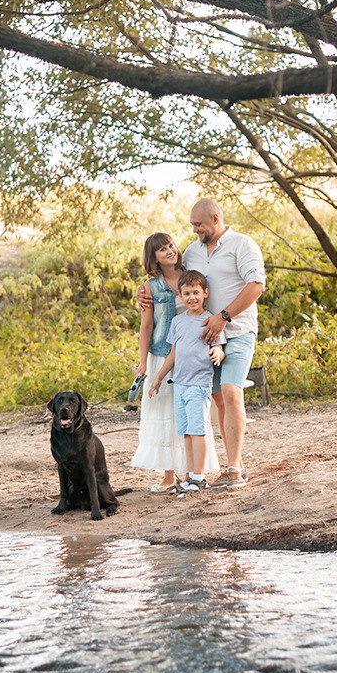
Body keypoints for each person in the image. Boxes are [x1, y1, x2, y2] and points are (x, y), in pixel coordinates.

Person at [138, 198, 265, 488]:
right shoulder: (193, 252)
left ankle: (233, 469)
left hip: (238, 330)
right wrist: (142, 291)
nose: (194, 230)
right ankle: (236, 464)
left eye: (198, 224)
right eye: (193, 225)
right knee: (218, 399)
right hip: (205, 337)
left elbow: (256, 285)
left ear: (216, 219)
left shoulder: (243, 244)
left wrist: (224, 316)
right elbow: (171, 279)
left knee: (231, 393)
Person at [130, 233, 220, 491]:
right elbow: (146, 326)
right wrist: (144, 362)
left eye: (170, 245)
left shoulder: (191, 276)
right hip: (161, 355)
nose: (169, 251)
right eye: (161, 250)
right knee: (164, 413)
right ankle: (169, 476)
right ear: (154, 258)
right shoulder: (150, 287)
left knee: (189, 411)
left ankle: (193, 471)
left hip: (190, 358)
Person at [148, 269, 226, 494]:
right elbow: (173, 353)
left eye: (196, 292)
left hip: (199, 384)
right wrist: (158, 378)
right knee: (186, 432)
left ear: (205, 293)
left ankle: (200, 477)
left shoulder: (210, 320)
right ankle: (191, 476)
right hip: (179, 384)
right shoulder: (177, 321)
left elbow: (219, 346)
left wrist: (218, 354)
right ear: (180, 296)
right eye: (186, 293)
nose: (191, 297)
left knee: (198, 430)